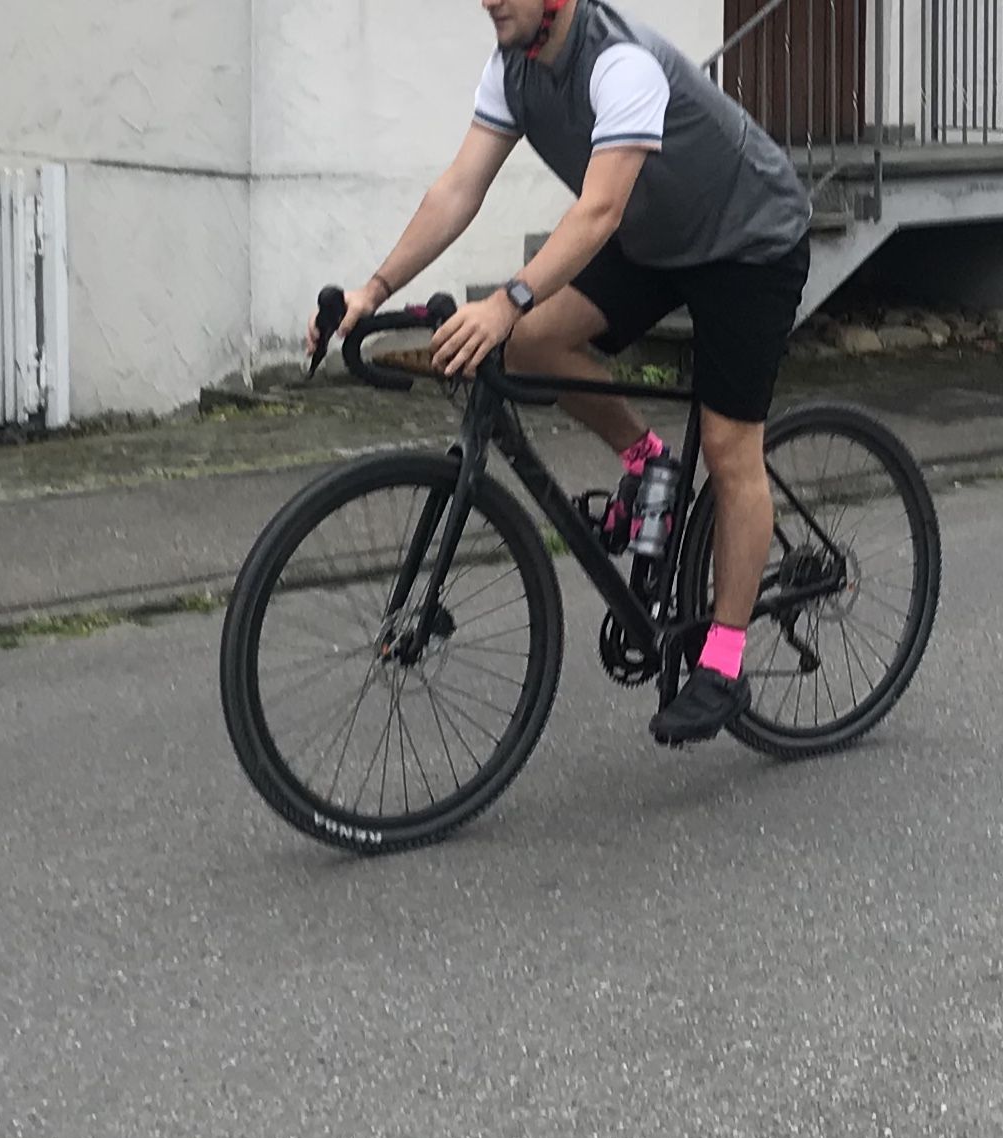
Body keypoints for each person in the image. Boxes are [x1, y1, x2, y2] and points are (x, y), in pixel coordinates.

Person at [308, 0, 811, 744]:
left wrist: (506, 299)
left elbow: (598, 211)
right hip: (655, 241)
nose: (488, 0)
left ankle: (724, 662)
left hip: (747, 242)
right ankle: (649, 462)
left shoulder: (621, 63)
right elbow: (458, 188)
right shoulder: (512, 70)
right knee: (529, 344)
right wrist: (372, 290)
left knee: (729, 448)